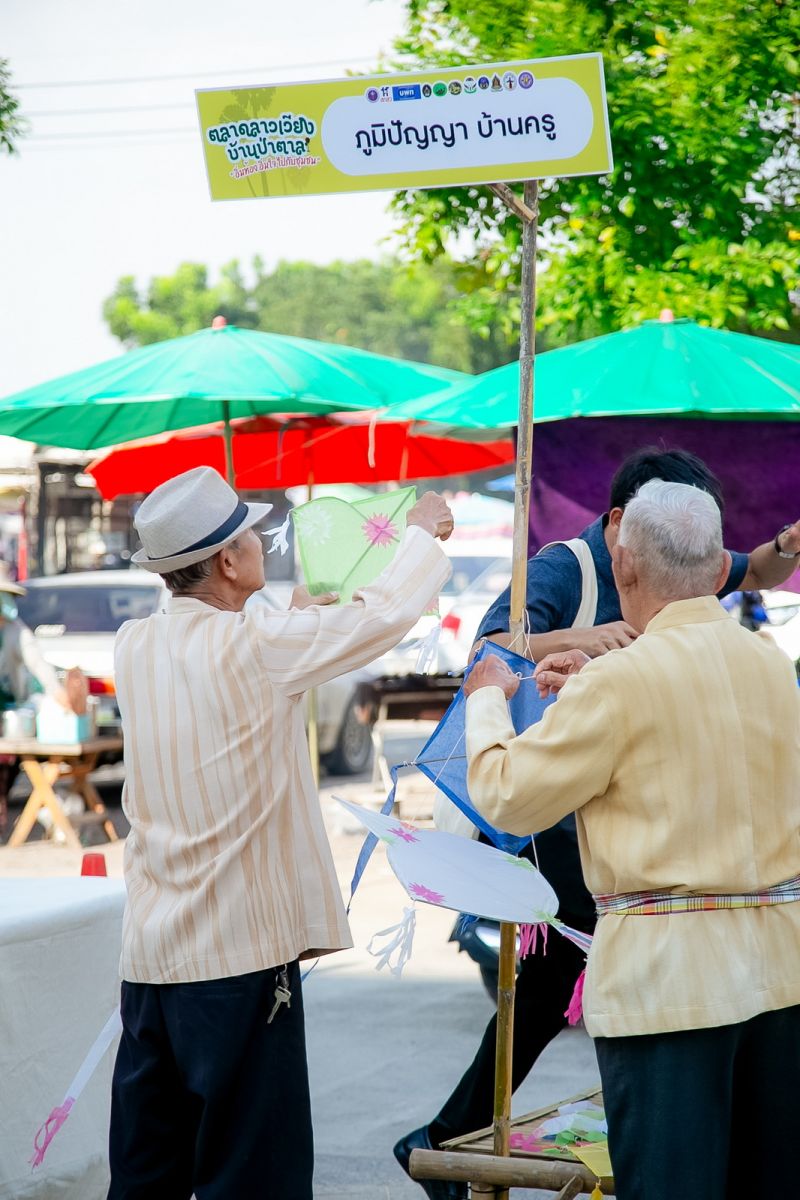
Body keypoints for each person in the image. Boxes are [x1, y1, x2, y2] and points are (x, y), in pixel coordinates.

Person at [394, 447, 800, 1200]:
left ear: (626, 566)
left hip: (669, 988)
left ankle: (447, 1128)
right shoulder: (772, 665)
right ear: (720, 570)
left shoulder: (618, 681)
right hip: (781, 976)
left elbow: (506, 795)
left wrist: (487, 699)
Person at [108, 466, 454, 1200]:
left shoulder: (134, 644)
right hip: (236, 961)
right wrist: (420, 536)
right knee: (254, 1178)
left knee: (147, 1176)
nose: (264, 546)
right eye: (253, 538)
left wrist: (293, 619)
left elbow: (232, 656)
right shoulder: (260, 643)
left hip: (152, 960)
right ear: (229, 563)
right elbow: (381, 617)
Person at [0, 573, 65, 831]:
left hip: (10, 710)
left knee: (7, 766)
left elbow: (39, 666)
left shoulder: (17, 632)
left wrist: (59, 694)